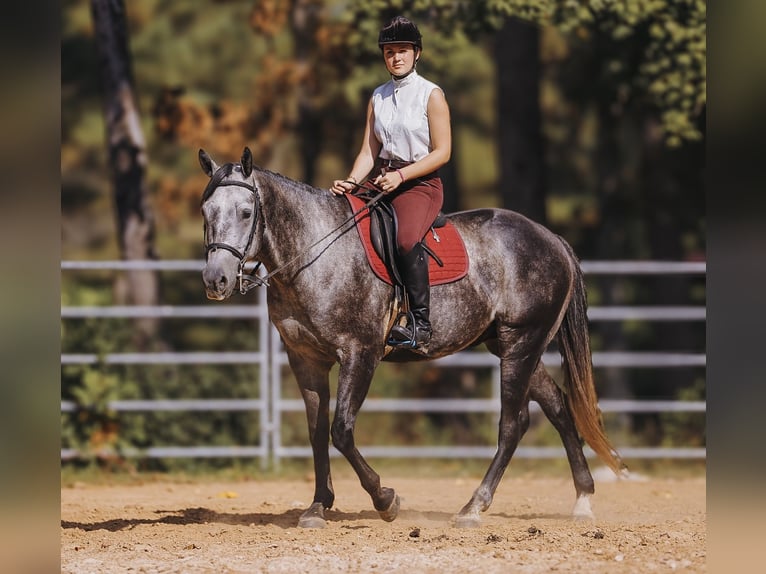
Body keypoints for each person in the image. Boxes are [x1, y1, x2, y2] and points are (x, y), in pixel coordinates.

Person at [330, 15, 451, 351]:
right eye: (389, 52)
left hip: (419, 183)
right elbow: (369, 151)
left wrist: (401, 176)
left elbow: (443, 152)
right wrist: (351, 182)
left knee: (406, 239)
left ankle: (420, 323)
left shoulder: (432, 95)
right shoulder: (378, 97)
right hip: (382, 177)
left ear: (417, 53)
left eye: (402, 51)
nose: (396, 58)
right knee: (342, 223)